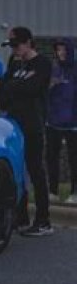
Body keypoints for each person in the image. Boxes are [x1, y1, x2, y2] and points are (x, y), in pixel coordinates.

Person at [0, 26, 53, 237]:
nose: (14, 50)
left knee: (36, 171)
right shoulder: (15, 63)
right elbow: (0, 88)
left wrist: (12, 87)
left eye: (16, 45)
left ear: (28, 42)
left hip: (33, 124)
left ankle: (43, 220)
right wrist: (12, 87)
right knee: (16, 171)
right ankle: (21, 217)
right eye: (11, 46)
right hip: (14, 123)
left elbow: (33, 88)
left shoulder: (42, 64)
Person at [46, 39, 77, 204]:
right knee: (52, 158)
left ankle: (75, 192)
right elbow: (43, 92)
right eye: (58, 50)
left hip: (73, 123)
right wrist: (51, 85)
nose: (61, 53)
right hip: (53, 121)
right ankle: (53, 191)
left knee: (74, 159)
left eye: (64, 50)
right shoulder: (53, 69)